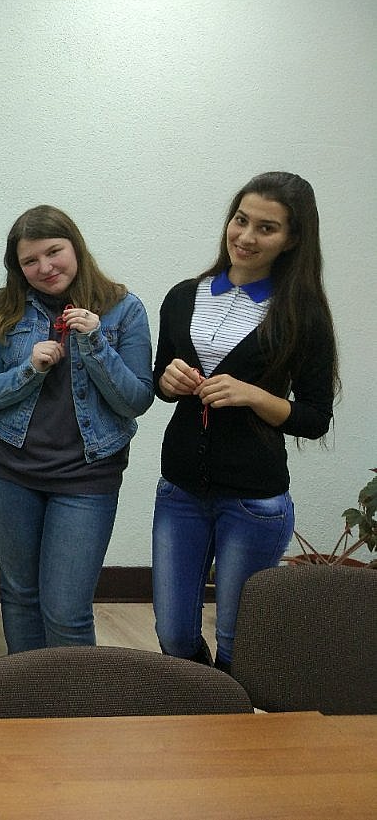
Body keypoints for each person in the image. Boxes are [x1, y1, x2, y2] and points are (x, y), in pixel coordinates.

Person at [151, 171, 337, 673]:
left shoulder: (303, 315)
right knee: (173, 633)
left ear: (292, 240)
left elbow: (315, 418)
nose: (246, 237)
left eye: (266, 228)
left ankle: (230, 715)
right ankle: (203, 702)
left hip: (254, 500)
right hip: (180, 490)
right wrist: (167, 380)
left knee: (237, 639)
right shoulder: (183, 296)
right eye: (241, 220)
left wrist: (255, 396)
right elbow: (159, 380)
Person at [0, 205, 154, 653]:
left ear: (76, 247)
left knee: (67, 610)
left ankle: (73, 696)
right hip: (11, 473)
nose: (45, 267)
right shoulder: (3, 309)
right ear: (18, 268)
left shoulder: (123, 309)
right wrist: (29, 369)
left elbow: (136, 399)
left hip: (87, 477)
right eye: (30, 261)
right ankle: (28, 694)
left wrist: (95, 343)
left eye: (54, 252)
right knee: (20, 595)